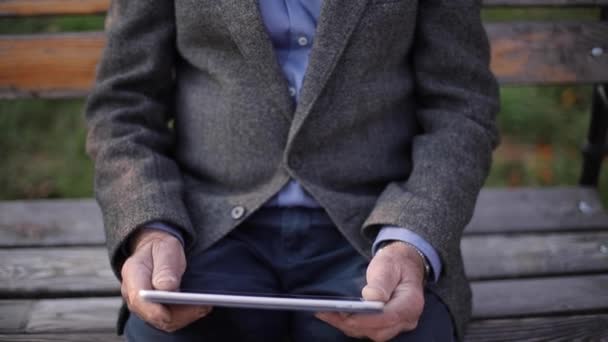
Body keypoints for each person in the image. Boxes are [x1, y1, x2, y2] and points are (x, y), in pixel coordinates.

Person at [85, 0, 499, 341]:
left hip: (373, 233)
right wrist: (149, 230)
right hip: (206, 229)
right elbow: (123, 105)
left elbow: (461, 107)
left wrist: (411, 243)